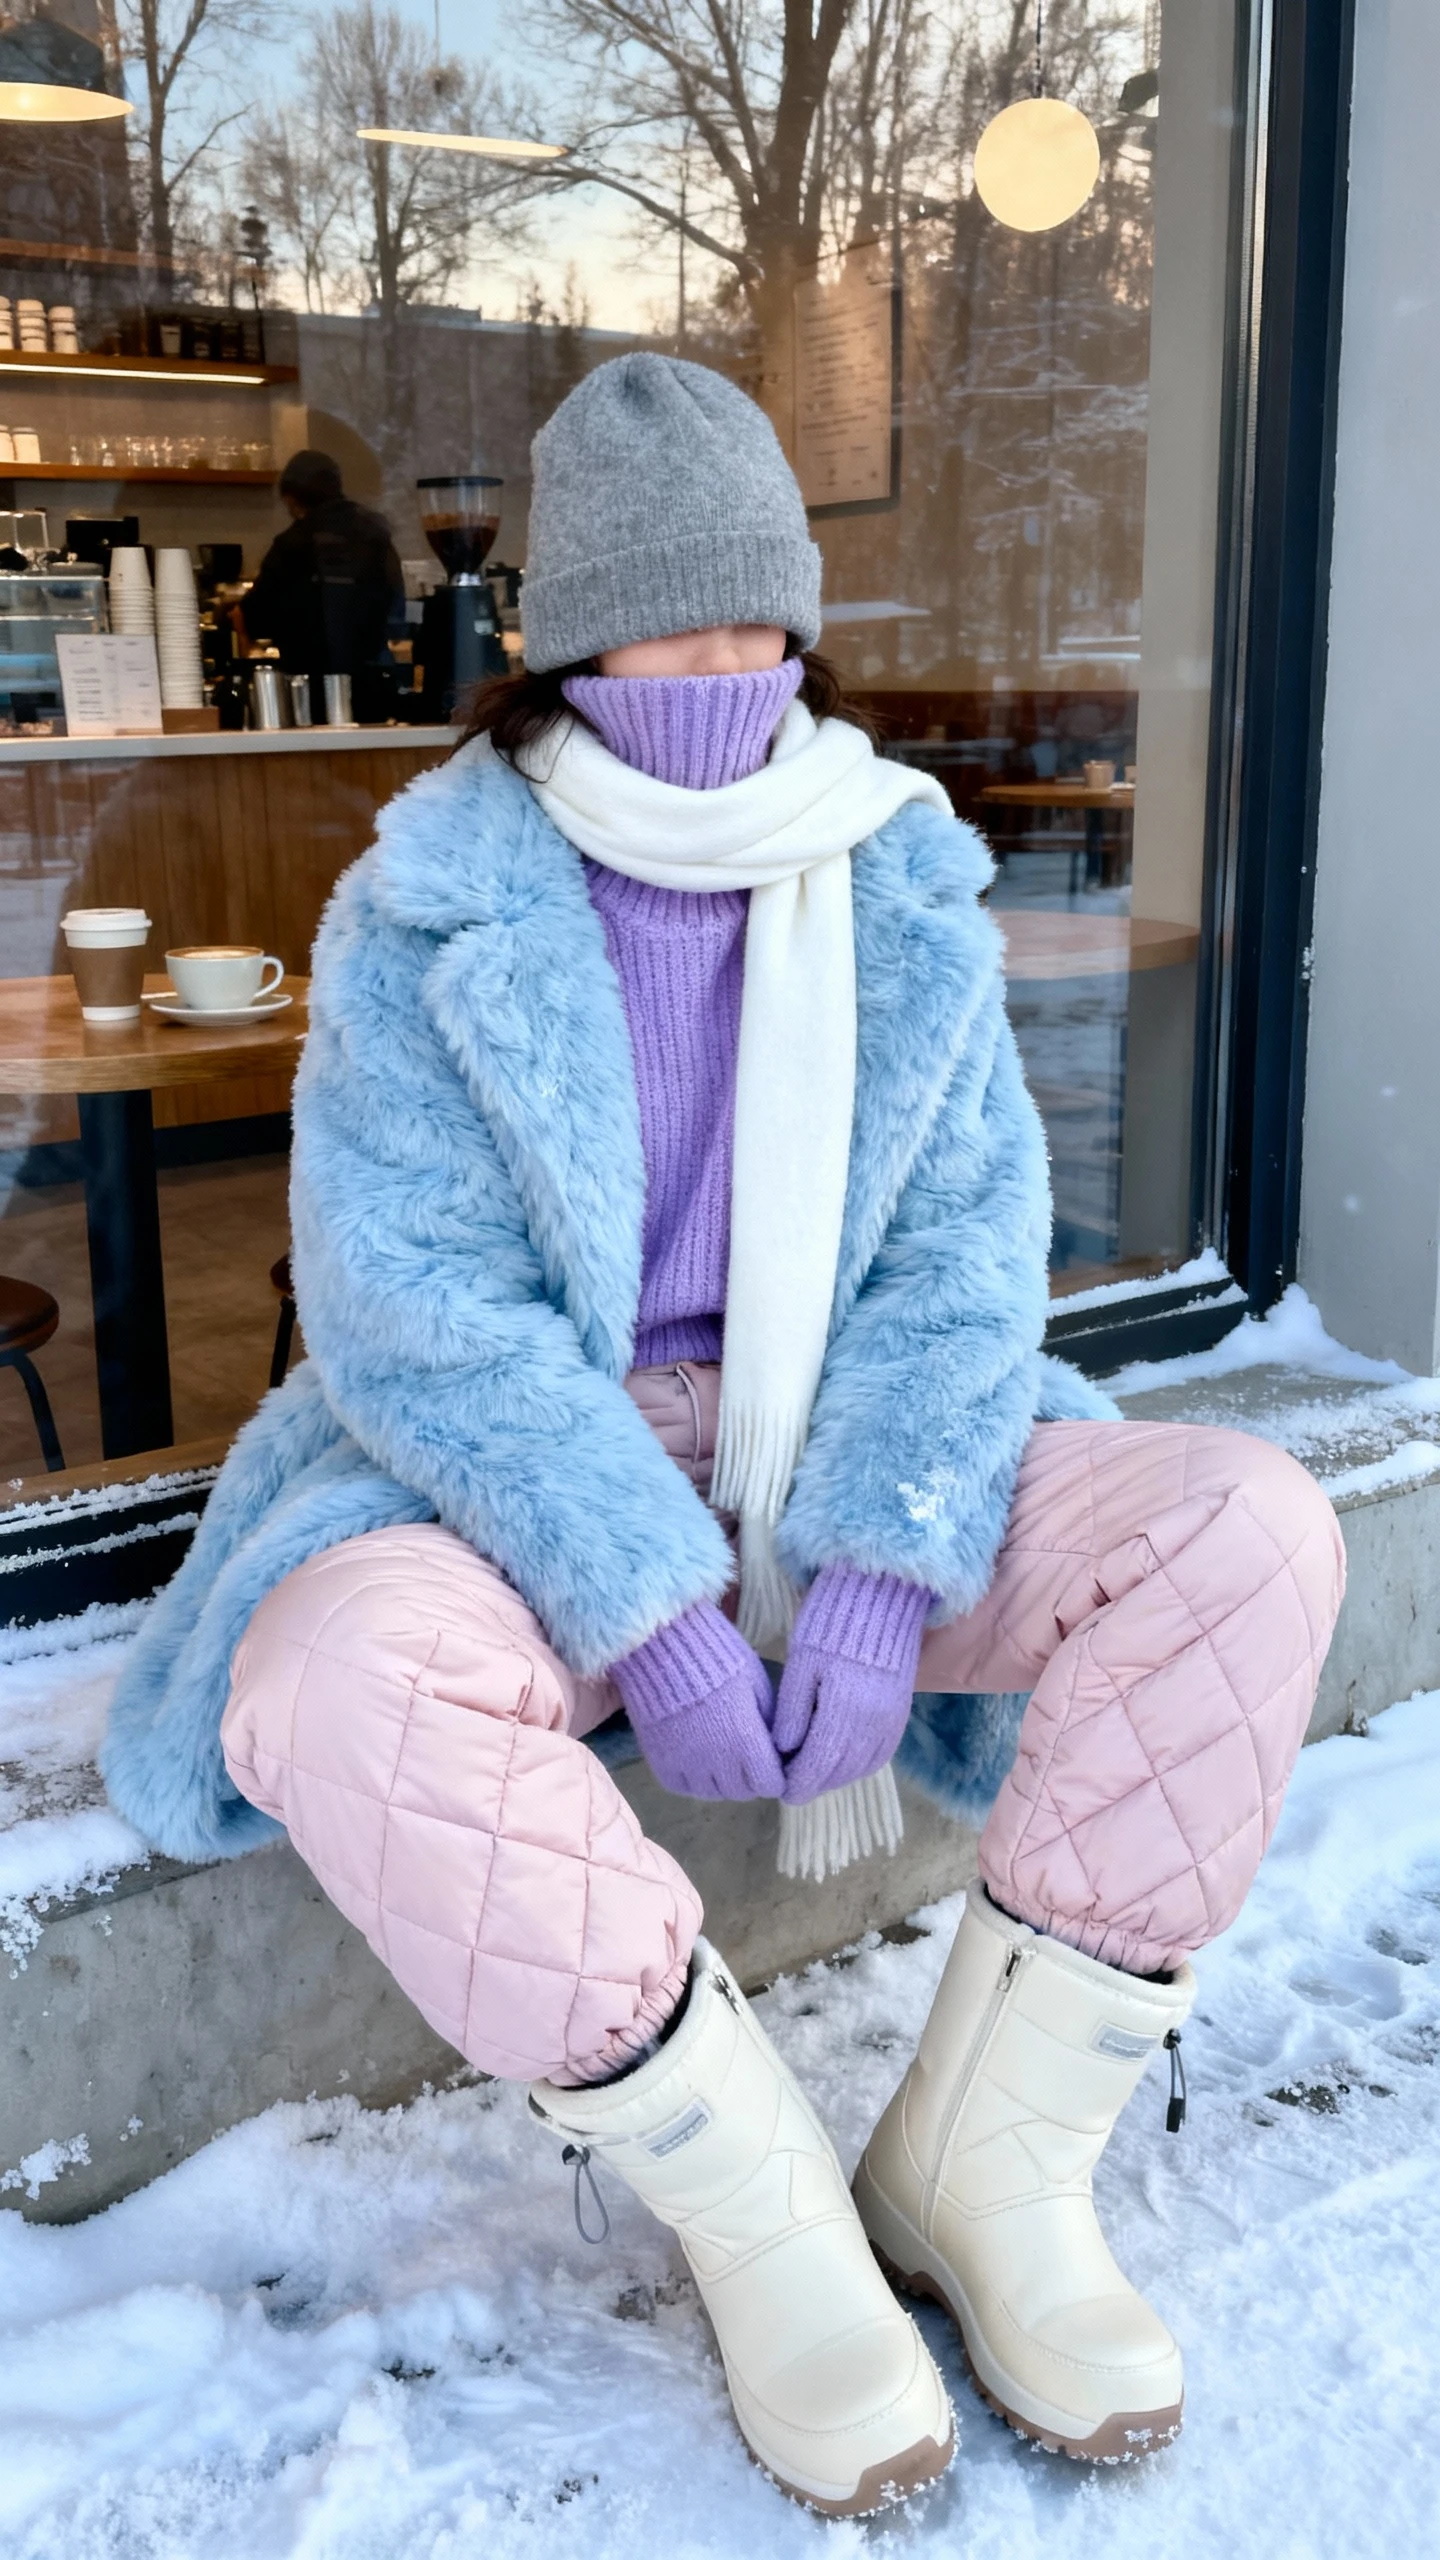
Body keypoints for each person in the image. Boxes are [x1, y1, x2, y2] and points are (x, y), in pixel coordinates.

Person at [104, 354, 1345, 2517]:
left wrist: (874, 1567)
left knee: (1246, 1523)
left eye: (758, 612)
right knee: (336, 1676)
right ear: (569, 638)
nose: (726, 665)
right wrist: (653, 1608)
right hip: (531, 1478)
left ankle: (988, 2170)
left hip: (847, 1444)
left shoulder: (899, 874)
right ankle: (765, 2218)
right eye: (668, 620)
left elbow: (961, 1262)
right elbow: (419, 1310)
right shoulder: (428, 898)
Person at [238, 447, 403, 699]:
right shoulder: (375, 532)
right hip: (375, 682)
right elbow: (395, 602)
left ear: (292, 499)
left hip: (309, 686)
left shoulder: (292, 543)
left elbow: (256, 616)